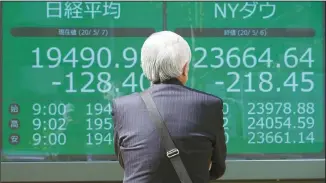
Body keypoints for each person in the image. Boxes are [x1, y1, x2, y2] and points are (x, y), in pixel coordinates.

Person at [112, 31, 227, 183]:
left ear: (145, 68)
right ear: (185, 68)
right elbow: (218, 167)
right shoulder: (209, 105)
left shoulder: (123, 107)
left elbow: (126, 161)